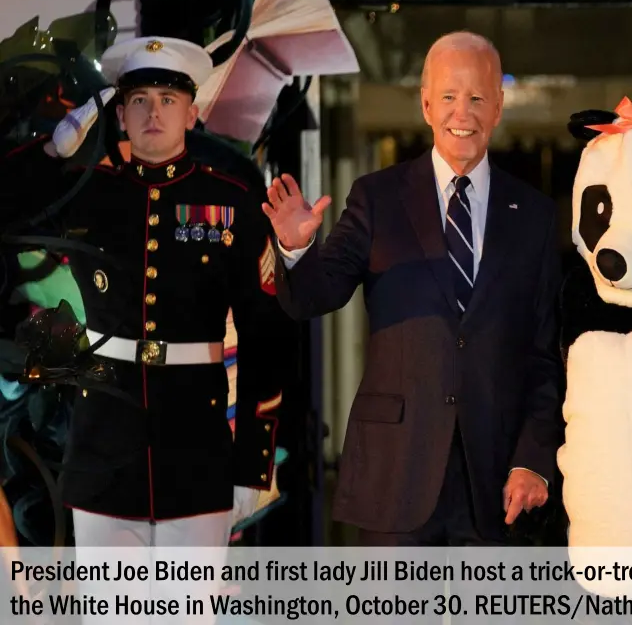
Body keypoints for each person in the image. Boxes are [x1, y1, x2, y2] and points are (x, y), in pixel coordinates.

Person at [0, 37, 289, 608]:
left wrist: (251, 467)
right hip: (105, 440)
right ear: (121, 114)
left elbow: (265, 338)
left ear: (192, 111)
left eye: (167, 98)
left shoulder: (230, 202)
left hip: (199, 445)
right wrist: (56, 150)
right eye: (138, 100)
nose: (153, 112)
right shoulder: (87, 195)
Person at [266, 31, 564, 546]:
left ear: (498, 107)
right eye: (448, 97)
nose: (462, 113)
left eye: (476, 98)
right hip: (395, 472)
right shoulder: (377, 198)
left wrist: (534, 461)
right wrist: (294, 250)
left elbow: (545, 355)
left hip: (496, 483)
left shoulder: (534, 216)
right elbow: (316, 296)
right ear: (426, 106)